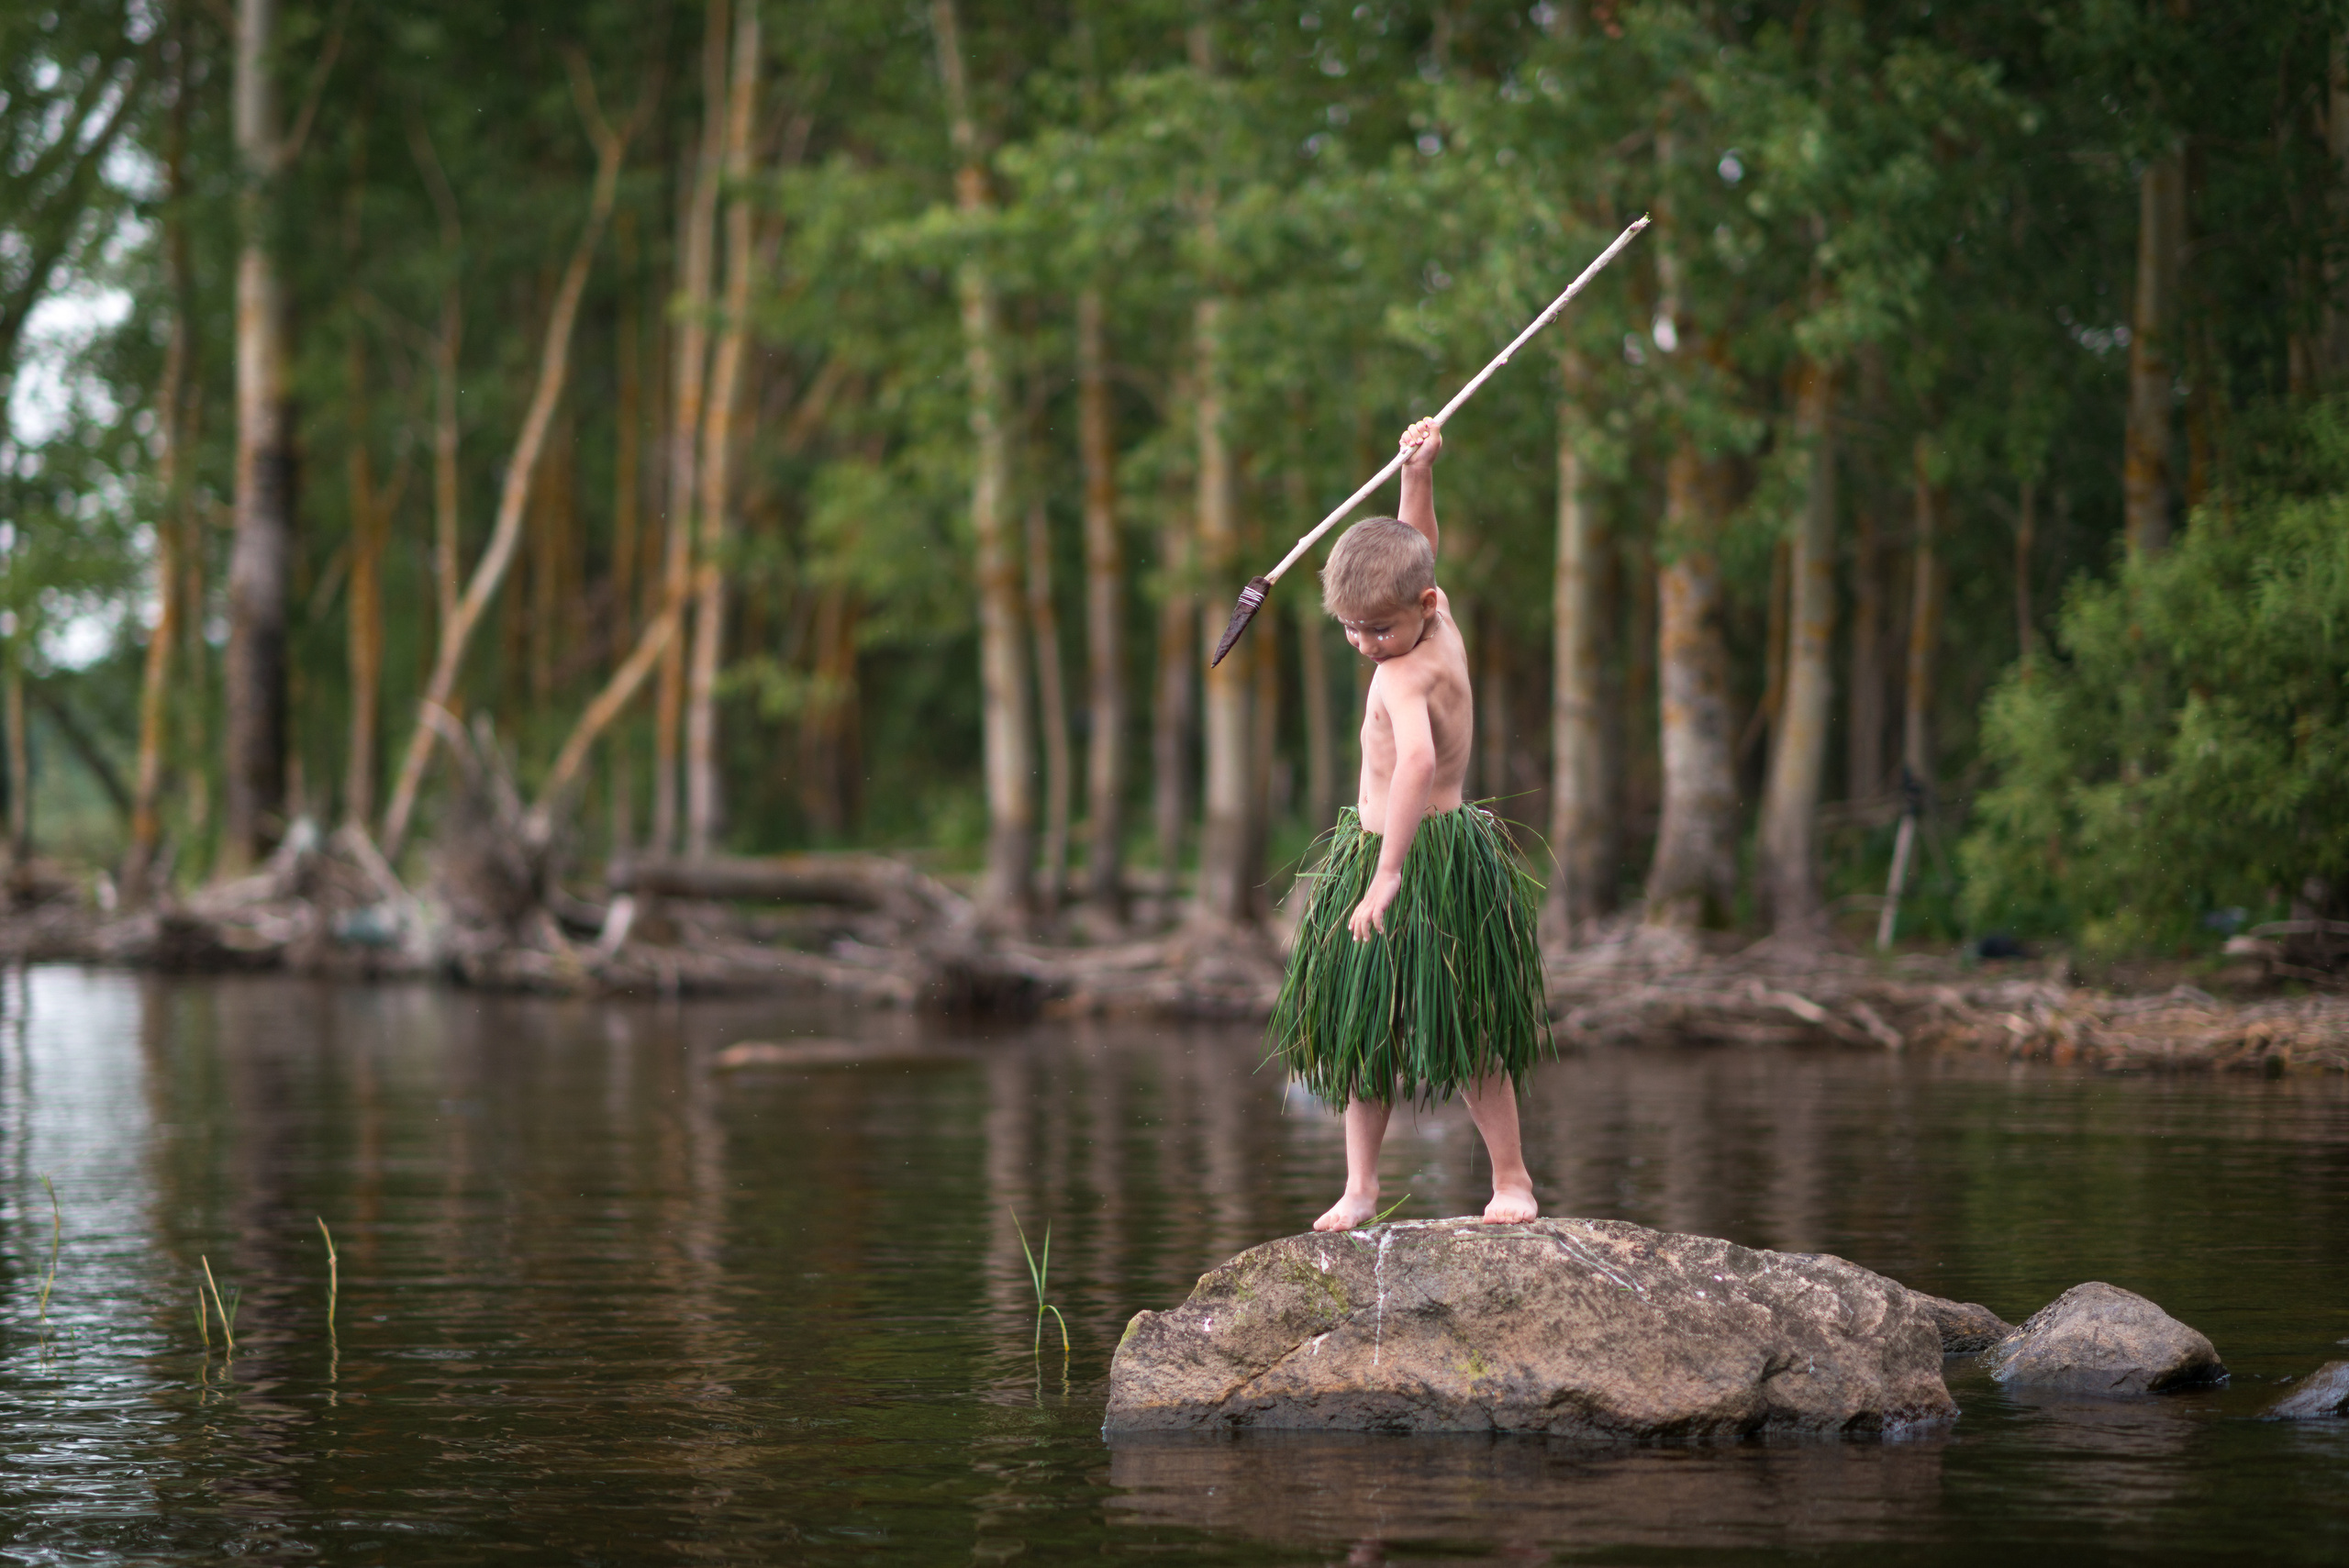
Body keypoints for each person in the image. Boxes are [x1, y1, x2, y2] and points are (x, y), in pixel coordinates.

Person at [1268, 417, 1553, 1231]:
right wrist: (1418, 473)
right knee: (1366, 1028)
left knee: (1468, 1028)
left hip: (1413, 860)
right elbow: (1413, 544)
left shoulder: (1401, 674)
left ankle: (1508, 1180)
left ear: (1419, 607)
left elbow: (1418, 763)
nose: (1366, 644)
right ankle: (1386, 1185)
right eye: (1352, 630)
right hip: (1426, 848)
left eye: (1378, 628)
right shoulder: (1437, 618)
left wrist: (1386, 872)